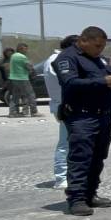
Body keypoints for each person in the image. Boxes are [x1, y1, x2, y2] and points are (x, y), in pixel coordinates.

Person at [56, 26, 111, 216]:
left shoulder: (95, 59)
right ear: (83, 40)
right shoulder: (68, 58)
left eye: (102, 46)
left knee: (98, 156)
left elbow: (99, 79)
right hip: (82, 116)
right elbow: (70, 83)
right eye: (97, 46)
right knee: (81, 158)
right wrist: (104, 82)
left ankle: (90, 194)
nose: (100, 50)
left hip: (101, 115)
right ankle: (76, 199)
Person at [44, 35, 79, 189]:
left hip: (63, 104)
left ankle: (66, 175)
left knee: (69, 142)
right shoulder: (58, 60)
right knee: (65, 143)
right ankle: (61, 177)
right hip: (65, 105)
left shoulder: (55, 58)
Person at [7, 43, 38, 118]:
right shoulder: (22, 57)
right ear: (21, 48)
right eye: (25, 49)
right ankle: (34, 112)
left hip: (14, 78)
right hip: (22, 78)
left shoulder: (13, 56)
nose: (27, 50)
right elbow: (29, 67)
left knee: (15, 96)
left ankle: (13, 112)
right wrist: (31, 67)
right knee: (30, 95)